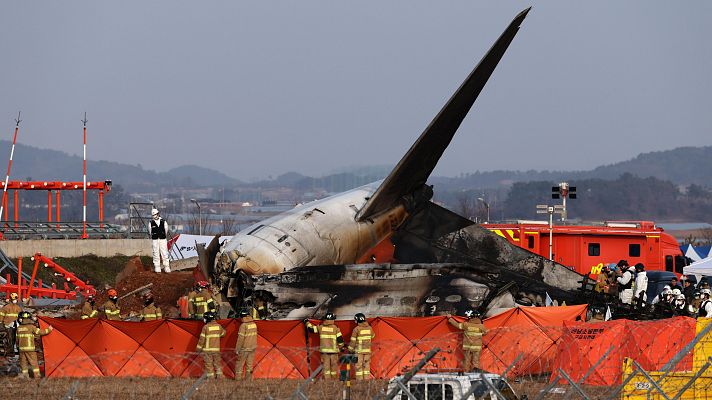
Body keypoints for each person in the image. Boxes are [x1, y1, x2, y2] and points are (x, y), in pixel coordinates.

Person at [305, 312, 344, 380]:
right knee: (333, 369)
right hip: (334, 352)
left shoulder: (321, 327)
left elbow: (311, 329)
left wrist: (306, 322)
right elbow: (340, 339)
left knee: (326, 369)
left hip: (324, 352)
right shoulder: (335, 327)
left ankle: (327, 382)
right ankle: (334, 382)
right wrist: (341, 347)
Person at [16, 311, 53, 378]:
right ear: (29, 318)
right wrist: (49, 330)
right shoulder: (31, 327)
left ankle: (25, 377)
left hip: (21, 350)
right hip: (30, 349)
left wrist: (18, 347)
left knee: (23, 364)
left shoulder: (18, 328)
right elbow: (40, 332)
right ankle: (37, 377)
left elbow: (17, 339)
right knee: (34, 364)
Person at [196, 311, 226, 379]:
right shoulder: (218, 326)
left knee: (209, 365)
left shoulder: (205, 327)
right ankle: (220, 377)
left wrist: (198, 348)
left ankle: (211, 378)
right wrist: (224, 330)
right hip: (216, 350)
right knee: (217, 364)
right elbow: (223, 334)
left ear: (207, 319)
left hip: (207, 350)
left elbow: (202, 339)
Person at [348, 313, 375, 380]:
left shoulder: (356, 329)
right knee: (366, 367)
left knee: (359, 367)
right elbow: (373, 336)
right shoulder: (369, 328)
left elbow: (353, 341)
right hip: (367, 351)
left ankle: (359, 382)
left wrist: (350, 349)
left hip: (359, 352)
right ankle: (366, 381)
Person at [234, 309, 257, 380]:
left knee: (239, 364)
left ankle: (238, 379)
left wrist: (237, 349)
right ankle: (249, 379)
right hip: (253, 347)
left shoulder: (243, 326)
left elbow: (240, 339)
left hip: (244, 348)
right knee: (249, 365)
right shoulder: (254, 324)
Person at [149, 207, 171, 273]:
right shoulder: (151, 223)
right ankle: (157, 266)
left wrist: (162, 235)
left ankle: (166, 266)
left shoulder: (163, 222)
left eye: (155, 214)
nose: (154, 216)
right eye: (153, 215)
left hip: (162, 239)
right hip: (155, 239)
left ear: (158, 214)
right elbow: (150, 232)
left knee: (164, 252)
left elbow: (166, 230)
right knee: (155, 252)